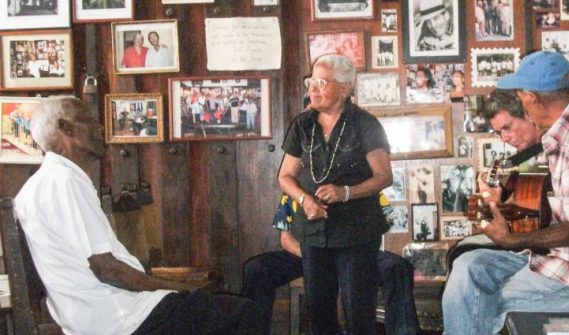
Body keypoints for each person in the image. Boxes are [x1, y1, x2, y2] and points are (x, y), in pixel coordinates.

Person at [14, 96, 263, 335]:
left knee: (212, 309)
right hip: (117, 316)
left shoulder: (36, 187)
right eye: (88, 119)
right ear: (65, 128)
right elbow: (108, 270)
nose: (99, 126)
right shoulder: (65, 181)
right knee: (243, 313)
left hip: (86, 316)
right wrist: (181, 290)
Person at [443, 51, 569, 334]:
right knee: (467, 265)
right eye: (499, 133)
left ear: (531, 104)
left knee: (478, 302)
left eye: (508, 127)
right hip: (546, 256)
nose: (505, 138)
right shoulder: (510, 163)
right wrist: (486, 205)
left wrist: (509, 237)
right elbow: (486, 215)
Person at [278, 54, 392, 335]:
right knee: (319, 311)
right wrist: (304, 200)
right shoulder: (302, 125)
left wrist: (346, 193)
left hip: (357, 231)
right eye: (310, 82)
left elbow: (384, 177)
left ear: (344, 88)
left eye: (320, 82)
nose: (312, 90)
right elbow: (285, 176)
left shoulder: (366, 124)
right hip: (312, 231)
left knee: (358, 311)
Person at [241, 194, 420, 335]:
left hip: (353, 253)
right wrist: (317, 259)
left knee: (397, 267)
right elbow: (286, 239)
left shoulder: (361, 182)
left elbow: (380, 227)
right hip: (308, 252)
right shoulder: (295, 188)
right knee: (256, 269)